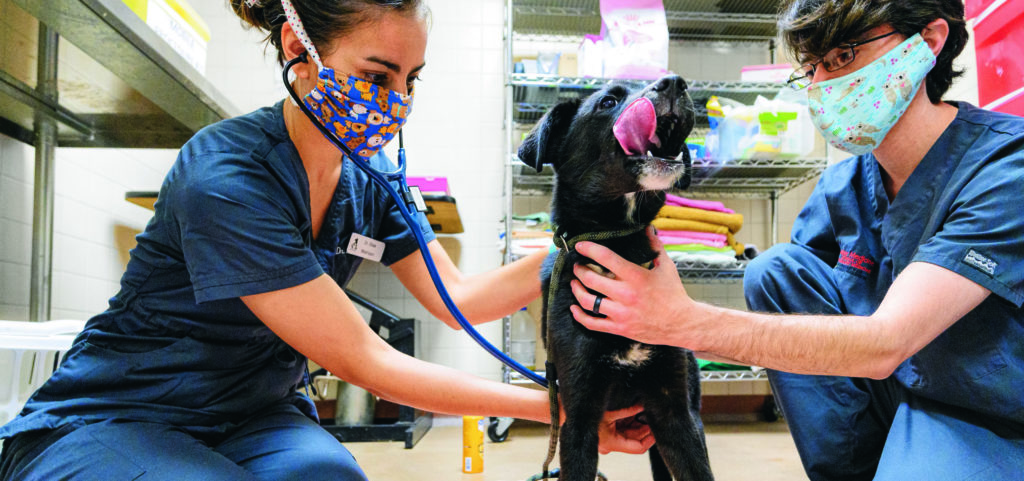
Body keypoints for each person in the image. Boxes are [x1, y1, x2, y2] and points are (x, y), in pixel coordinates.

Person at [0, 1, 653, 479]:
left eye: (411, 78)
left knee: (329, 477)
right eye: (376, 75)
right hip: (123, 414)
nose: (398, 101)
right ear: (296, 48)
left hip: (255, 412)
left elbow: (462, 300)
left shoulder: (373, 180)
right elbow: (366, 361)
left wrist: (586, 243)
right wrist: (565, 406)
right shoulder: (227, 175)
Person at [565, 0, 1024, 480]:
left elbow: (887, 342)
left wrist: (683, 323)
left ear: (928, 42)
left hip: (987, 416)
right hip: (898, 395)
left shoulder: (1005, 169)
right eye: (811, 69)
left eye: (843, 57)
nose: (823, 87)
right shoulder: (843, 188)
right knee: (775, 271)